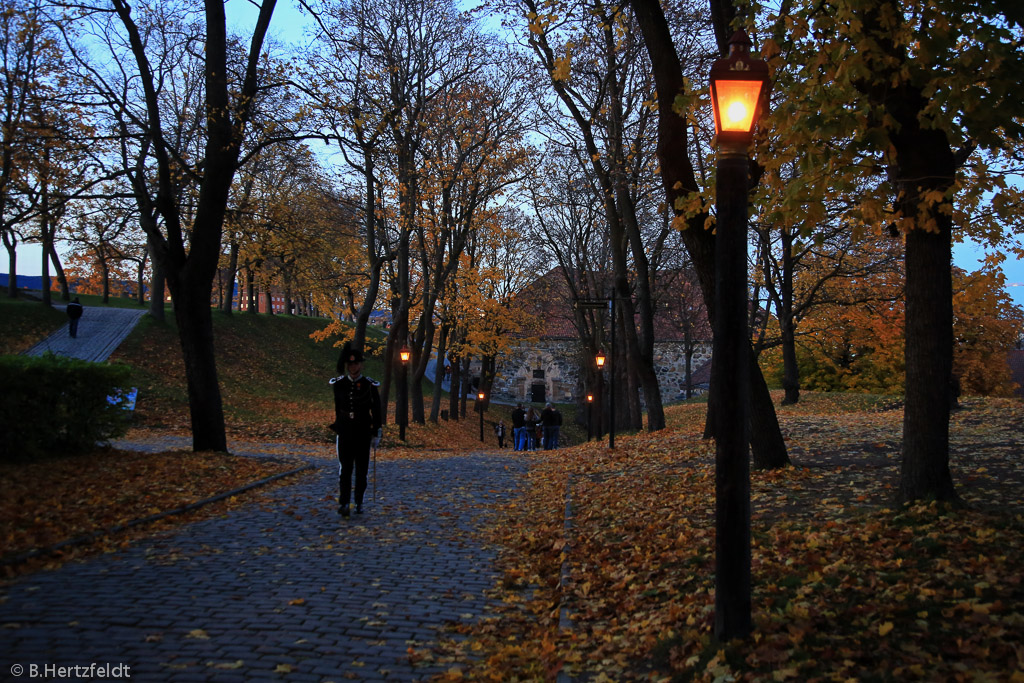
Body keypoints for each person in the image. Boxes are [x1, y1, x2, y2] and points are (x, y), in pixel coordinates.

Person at [329, 342, 382, 518]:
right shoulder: (339, 384)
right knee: (345, 469)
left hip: (362, 432)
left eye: (356, 363)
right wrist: (337, 425)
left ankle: (358, 500)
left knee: (361, 470)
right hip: (345, 431)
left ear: (361, 365)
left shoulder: (369, 385)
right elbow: (338, 408)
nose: (353, 366)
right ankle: (344, 502)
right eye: (350, 364)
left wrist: (377, 431)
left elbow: (376, 409)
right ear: (347, 365)